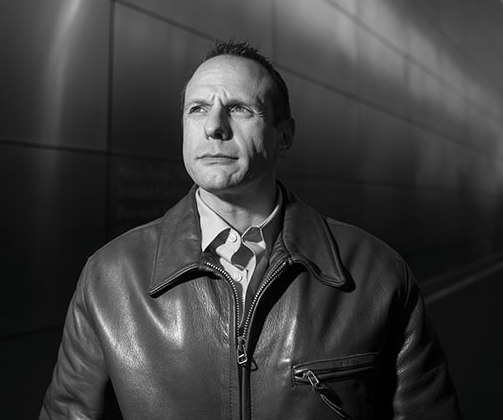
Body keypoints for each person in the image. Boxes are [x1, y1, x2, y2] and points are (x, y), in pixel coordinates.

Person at [40, 40, 461, 420]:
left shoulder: (376, 274)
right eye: (198, 108)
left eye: (240, 108)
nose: (214, 126)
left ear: (284, 136)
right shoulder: (110, 277)